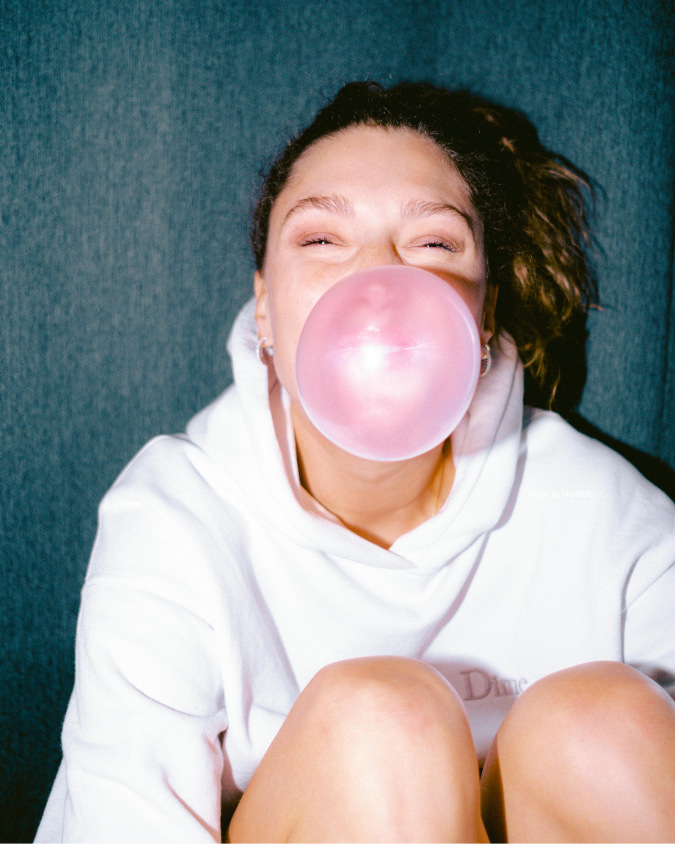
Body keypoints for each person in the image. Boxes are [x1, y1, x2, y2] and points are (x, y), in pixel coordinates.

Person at [37, 81, 675, 843]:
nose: (379, 278)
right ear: (265, 308)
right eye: (319, 240)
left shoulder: (607, 516)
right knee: (380, 722)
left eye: (433, 244)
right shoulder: (173, 517)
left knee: (601, 722)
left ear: (484, 315)